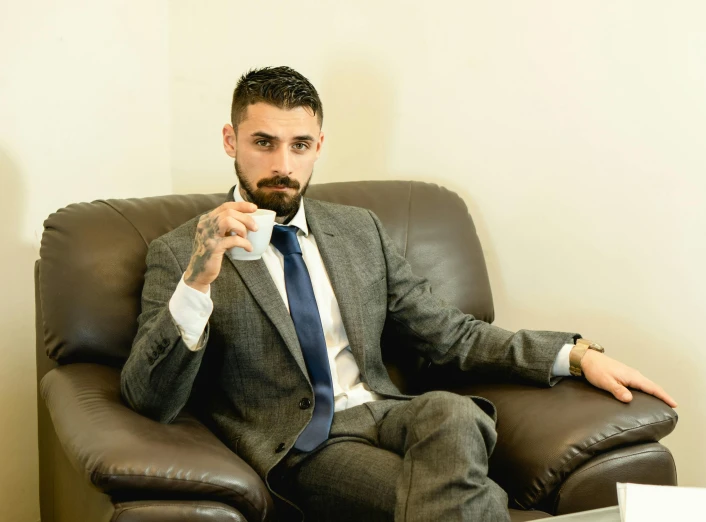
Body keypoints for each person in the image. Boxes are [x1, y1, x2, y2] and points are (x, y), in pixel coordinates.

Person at [120, 66, 677, 522]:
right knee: (460, 499)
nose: (282, 166)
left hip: (387, 410)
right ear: (230, 140)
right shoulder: (182, 251)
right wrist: (199, 276)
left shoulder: (359, 230)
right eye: (263, 143)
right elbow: (150, 396)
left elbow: (449, 333)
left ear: (319, 146)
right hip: (306, 446)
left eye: (300, 145)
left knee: (457, 416)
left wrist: (576, 355)